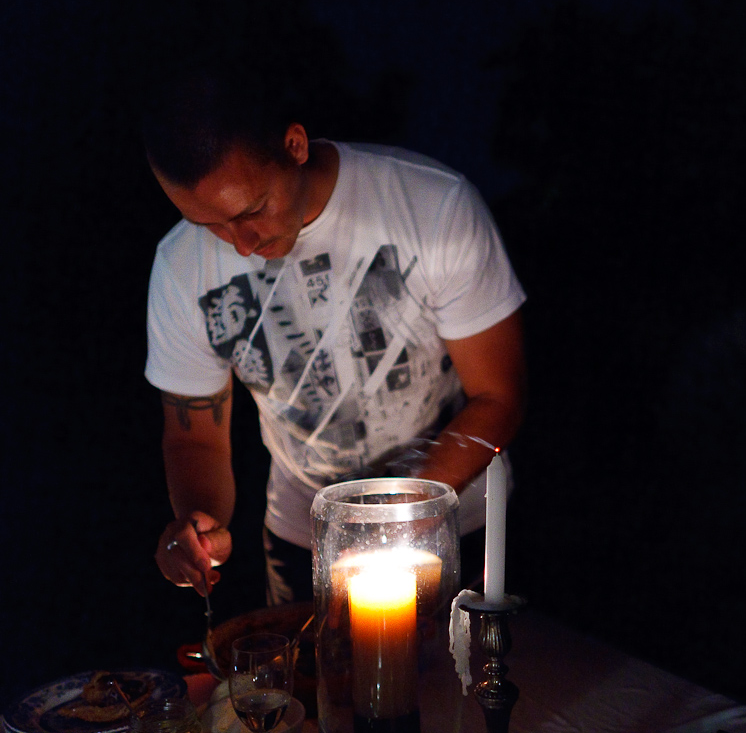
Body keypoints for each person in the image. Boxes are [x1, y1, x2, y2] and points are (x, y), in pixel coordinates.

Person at [142, 66, 527, 604]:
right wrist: (196, 521)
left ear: (294, 145)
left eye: (252, 211)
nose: (240, 245)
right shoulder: (180, 268)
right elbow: (194, 437)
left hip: (462, 528)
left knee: (474, 682)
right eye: (208, 224)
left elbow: (498, 396)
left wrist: (403, 512)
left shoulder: (433, 206)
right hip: (305, 542)